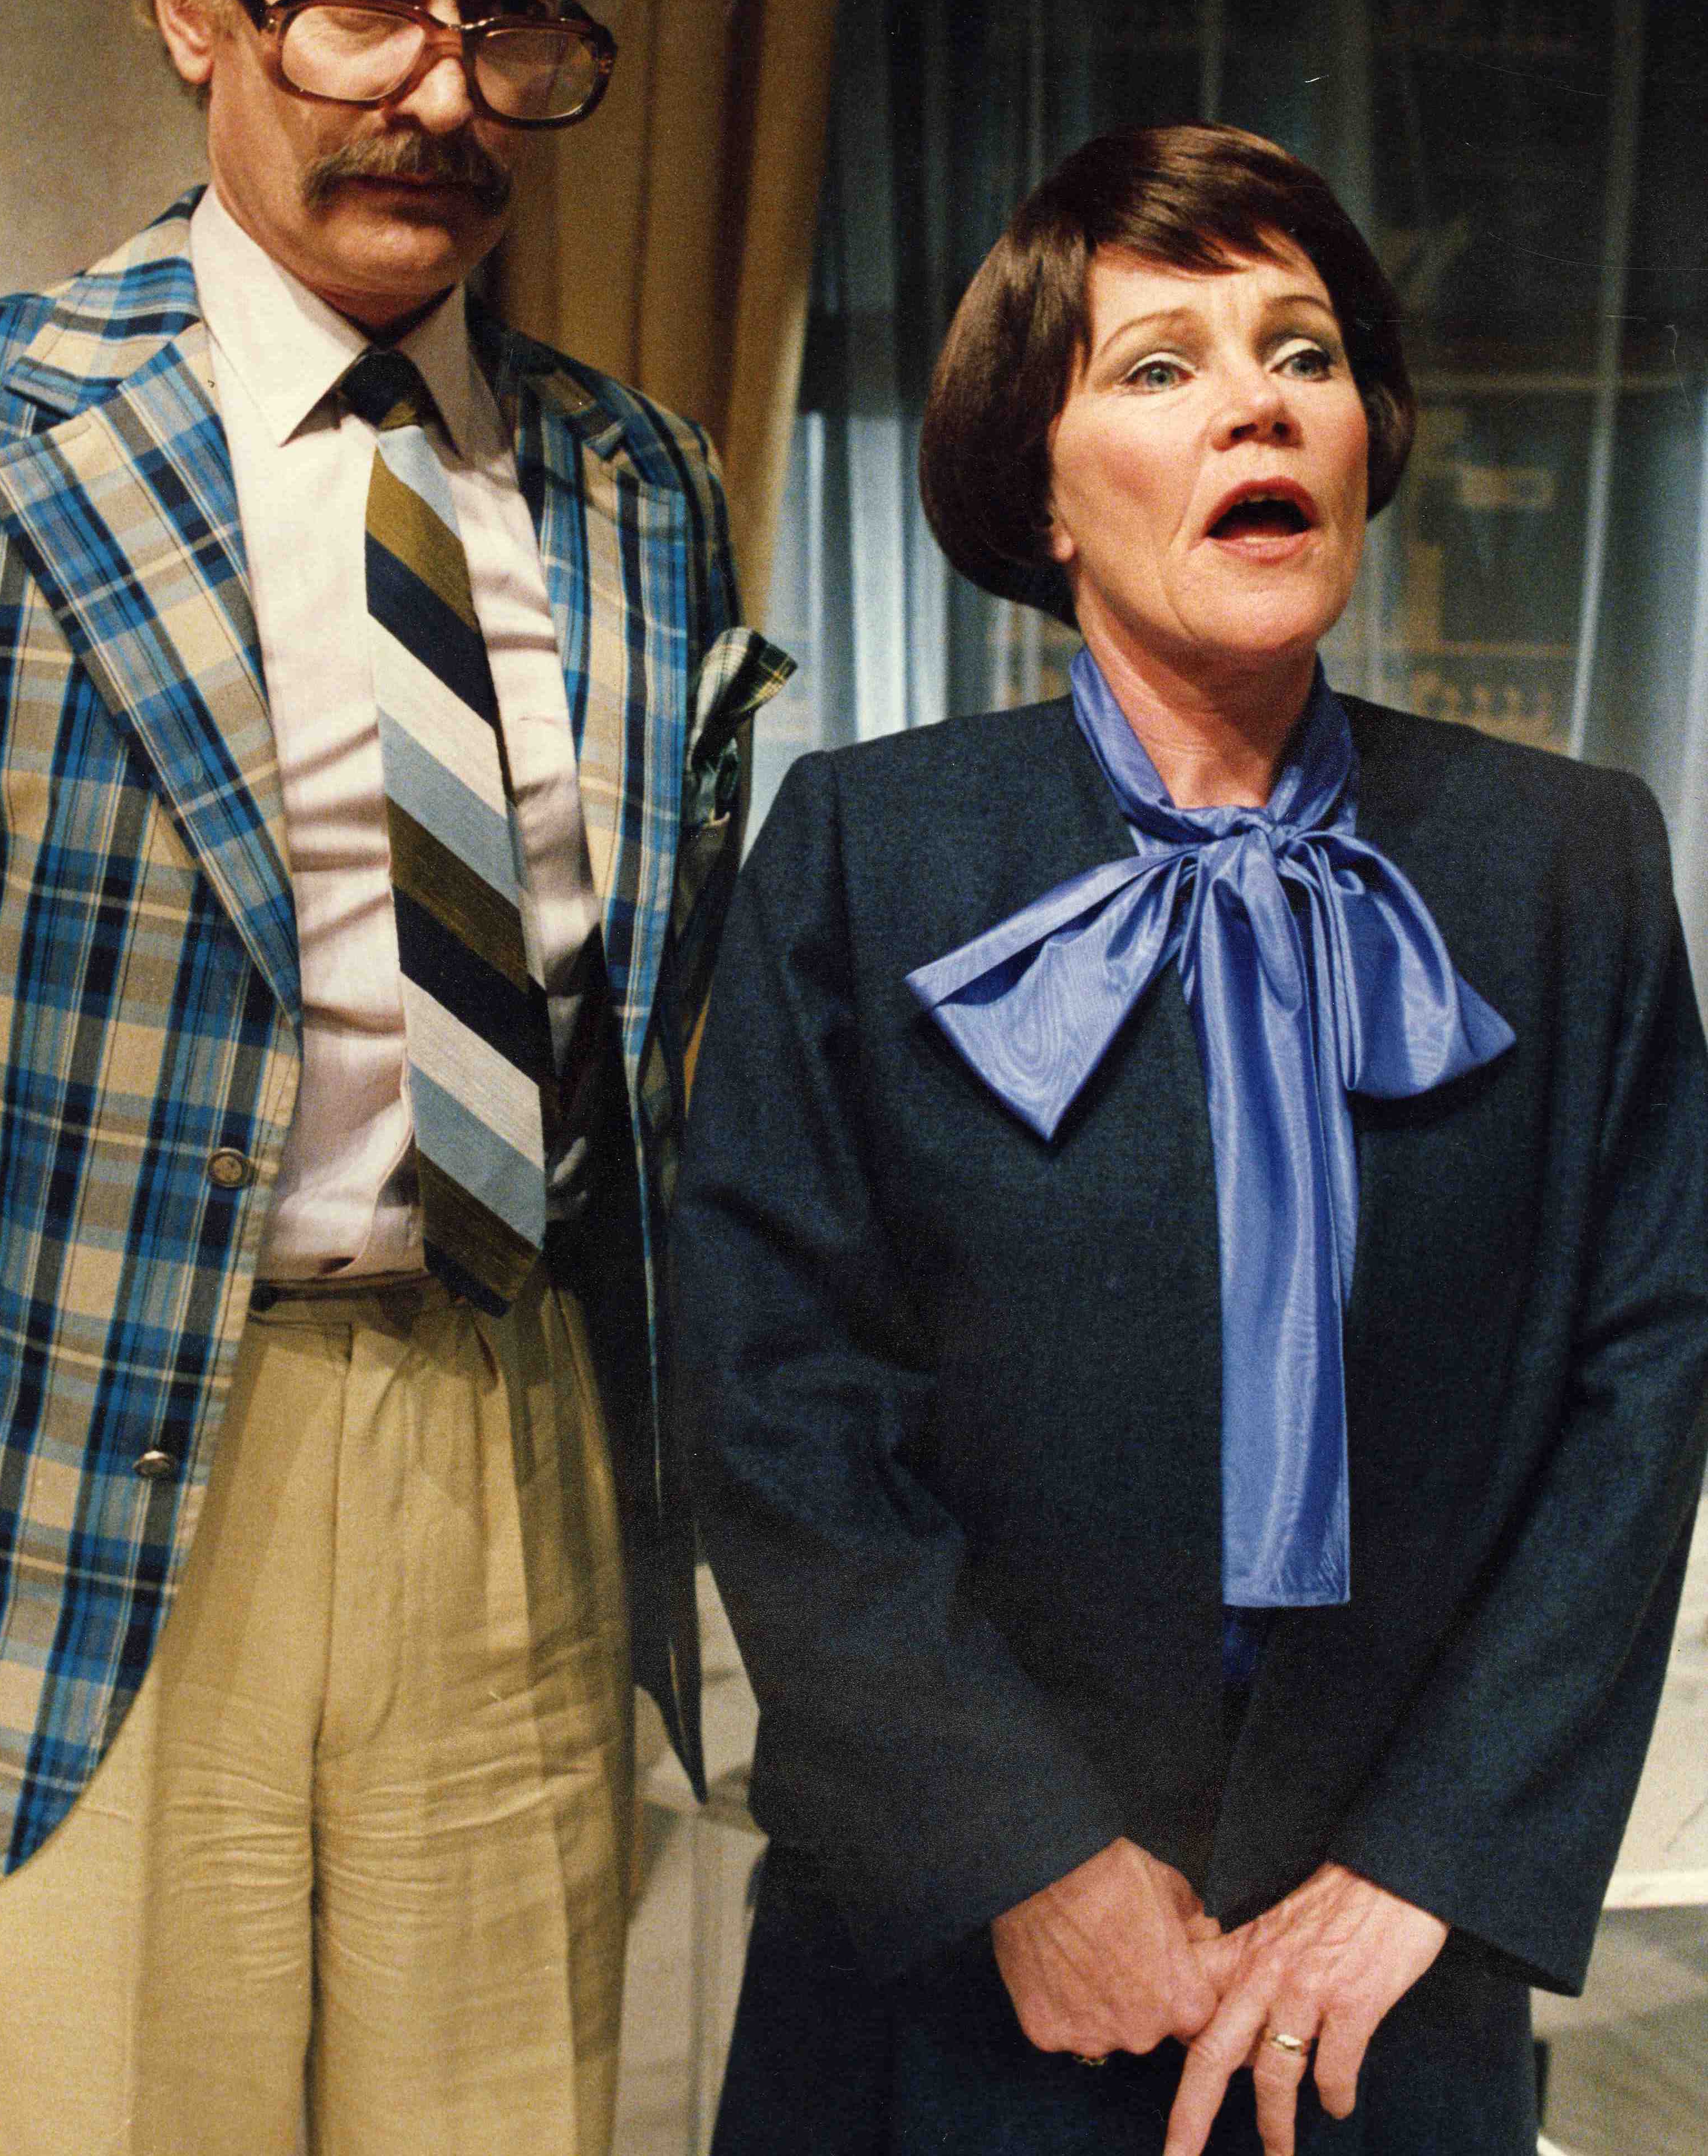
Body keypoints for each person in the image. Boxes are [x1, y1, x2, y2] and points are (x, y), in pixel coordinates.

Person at [0, 0, 785, 2156]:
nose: (443, 88)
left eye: (515, 20)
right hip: (59, 1502)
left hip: (520, 1470)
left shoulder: (643, 487)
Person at [672, 121, 1708, 2156]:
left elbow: (1644, 1378)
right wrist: (1025, 1857)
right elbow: (774, 1403)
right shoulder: (866, 851)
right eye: (1162, 366)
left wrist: (1426, 1866)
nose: (1261, 402)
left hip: (1383, 1990)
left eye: (1304, 354)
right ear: (1039, 489)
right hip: (955, 1969)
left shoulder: (1569, 863)